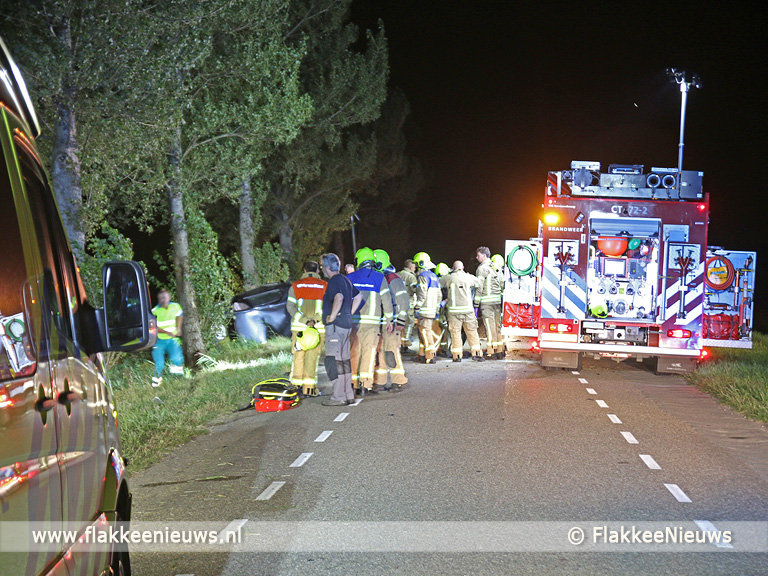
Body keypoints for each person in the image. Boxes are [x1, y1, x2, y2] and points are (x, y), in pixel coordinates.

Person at [347, 247, 394, 395]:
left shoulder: (350, 277)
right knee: (369, 352)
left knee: (354, 351)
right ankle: (365, 385)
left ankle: (353, 384)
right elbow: (387, 300)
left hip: (353, 322)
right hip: (372, 323)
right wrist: (389, 320)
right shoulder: (380, 278)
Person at [320, 253, 363, 406]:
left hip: (335, 327)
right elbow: (359, 296)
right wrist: (348, 313)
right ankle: (348, 394)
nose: (321, 269)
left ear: (327, 267)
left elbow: (339, 297)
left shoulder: (334, 281)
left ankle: (339, 397)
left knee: (333, 361)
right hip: (346, 325)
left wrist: (331, 317)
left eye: (322, 266)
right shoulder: (345, 279)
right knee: (344, 361)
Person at [286, 261, 327, 396]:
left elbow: (290, 307)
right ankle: (309, 390)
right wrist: (314, 320)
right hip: (317, 329)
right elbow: (326, 307)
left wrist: (304, 320)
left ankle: (296, 388)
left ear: (304, 270)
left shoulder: (295, 286)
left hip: (299, 328)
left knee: (298, 357)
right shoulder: (324, 286)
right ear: (318, 271)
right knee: (312, 359)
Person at [372, 249, 409, 392]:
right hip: (381, 322)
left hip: (392, 322)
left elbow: (404, 301)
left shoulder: (393, 278)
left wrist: (400, 321)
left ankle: (398, 381)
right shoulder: (380, 278)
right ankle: (380, 382)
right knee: (380, 351)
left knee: (391, 351)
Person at [440, 261, 484, 362]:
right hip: (468, 311)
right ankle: (477, 354)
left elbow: (438, 284)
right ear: (463, 268)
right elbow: (480, 284)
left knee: (455, 333)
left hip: (454, 312)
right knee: (472, 332)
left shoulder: (449, 278)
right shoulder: (469, 277)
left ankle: (457, 356)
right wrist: (476, 302)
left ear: (453, 268)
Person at [475, 246, 504, 359]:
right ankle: (500, 351)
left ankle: (491, 352)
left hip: (487, 303)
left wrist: (476, 304)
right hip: (497, 301)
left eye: (478, 255)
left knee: (489, 327)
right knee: (497, 326)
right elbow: (502, 284)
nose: (477, 257)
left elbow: (479, 287)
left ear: (484, 255)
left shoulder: (482, 268)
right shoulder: (496, 267)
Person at [412, 251, 442, 364]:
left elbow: (421, 294)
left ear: (420, 263)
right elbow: (439, 295)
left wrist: (417, 308)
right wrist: (437, 310)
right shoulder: (434, 276)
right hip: (432, 309)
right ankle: (422, 354)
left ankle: (430, 356)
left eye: (416, 263)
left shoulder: (422, 276)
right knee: (422, 332)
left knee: (425, 332)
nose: (415, 266)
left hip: (424, 309)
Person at [151, 289, 184, 387]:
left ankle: (178, 382)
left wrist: (178, 328)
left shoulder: (175, 306)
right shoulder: (154, 311)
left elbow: (180, 315)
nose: (163, 300)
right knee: (159, 363)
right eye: (161, 298)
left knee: (177, 359)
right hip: (159, 341)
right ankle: (156, 384)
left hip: (172, 340)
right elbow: (153, 327)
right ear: (158, 300)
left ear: (169, 297)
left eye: (165, 297)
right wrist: (167, 332)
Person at [398, 259, 418, 353]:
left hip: (397, 304)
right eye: (414, 267)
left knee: (398, 324)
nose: (415, 269)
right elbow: (416, 290)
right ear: (410, 267)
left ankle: (398, 344)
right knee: (409, 323)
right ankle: (405, 345)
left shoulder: (397, 274)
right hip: (407, 304)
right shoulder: (411, 277)